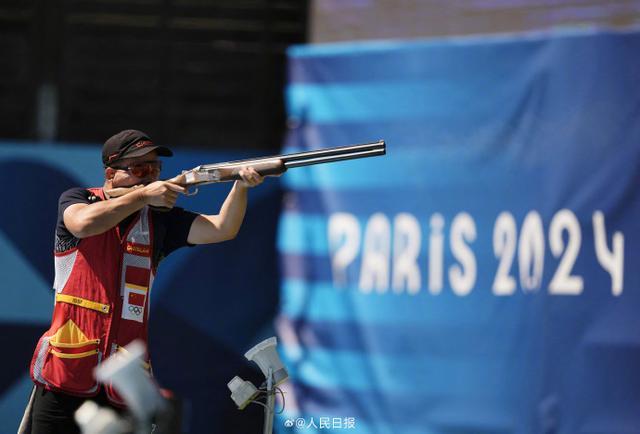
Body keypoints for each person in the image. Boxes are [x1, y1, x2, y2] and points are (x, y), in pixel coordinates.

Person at [19, 129, 266, 433]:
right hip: (65, 374)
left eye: (155, 169)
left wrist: (240, 185)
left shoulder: (160, 221)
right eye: (139, 169)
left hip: (122, 384)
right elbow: (83, 224)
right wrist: (144, 195)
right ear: (110, 173)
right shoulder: (77, 198)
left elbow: (222, 228)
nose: (150, 176)